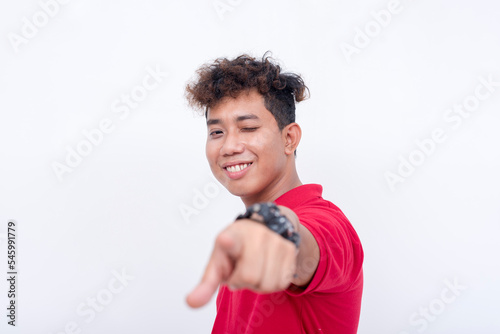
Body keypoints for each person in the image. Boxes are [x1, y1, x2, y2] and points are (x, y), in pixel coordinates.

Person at [184, 52, 364, 334]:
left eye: (248, 128)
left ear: (289, 138)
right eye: (217, 132)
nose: (229, 146)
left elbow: (307, 245)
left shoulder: (330, 225)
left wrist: (277, 227)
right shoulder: (247, 240)